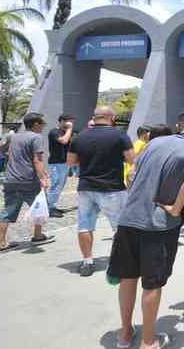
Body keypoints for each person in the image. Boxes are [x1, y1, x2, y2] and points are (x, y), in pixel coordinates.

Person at [107, 111, 184, 349]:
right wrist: (175, 208)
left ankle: (124, 334)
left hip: (129, 219)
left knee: (127, 278)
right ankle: (149, 341)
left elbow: (131, 175)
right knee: (152, 284)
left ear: (178, 125)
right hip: (159, 225)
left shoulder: (153, 143)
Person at [67, 106, 134, 277]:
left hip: (86, 187)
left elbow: (71, 162)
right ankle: (122, 262)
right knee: (121, 227)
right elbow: (131, 159)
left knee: (84, 226)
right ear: (111, 117)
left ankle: (87, 262)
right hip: (112, 187)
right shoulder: (119, 135)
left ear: (95, 117)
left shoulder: (79, 136)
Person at [0, 113, 54, 253]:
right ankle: (38, 236)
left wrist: (14, 160)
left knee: (7, 210)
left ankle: (0, 243)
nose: (44, 126)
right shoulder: (36, 137)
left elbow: (1, 150)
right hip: (28, 179)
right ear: (35, 124)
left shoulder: (14, 136)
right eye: (42, 123)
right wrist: (44, 178)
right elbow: (37, 160)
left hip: (10, 179)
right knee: (39, 206)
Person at [47, 114, 75, 217]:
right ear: (62, 121)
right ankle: (49, 208)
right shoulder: (54, 132)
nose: (71, 124)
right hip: (56, 163)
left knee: (60, 186)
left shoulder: (66, 133)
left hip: (65, 163)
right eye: (69, 121)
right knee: (55, 185)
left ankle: (53, 206)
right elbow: (63, 141)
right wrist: (69, 129)